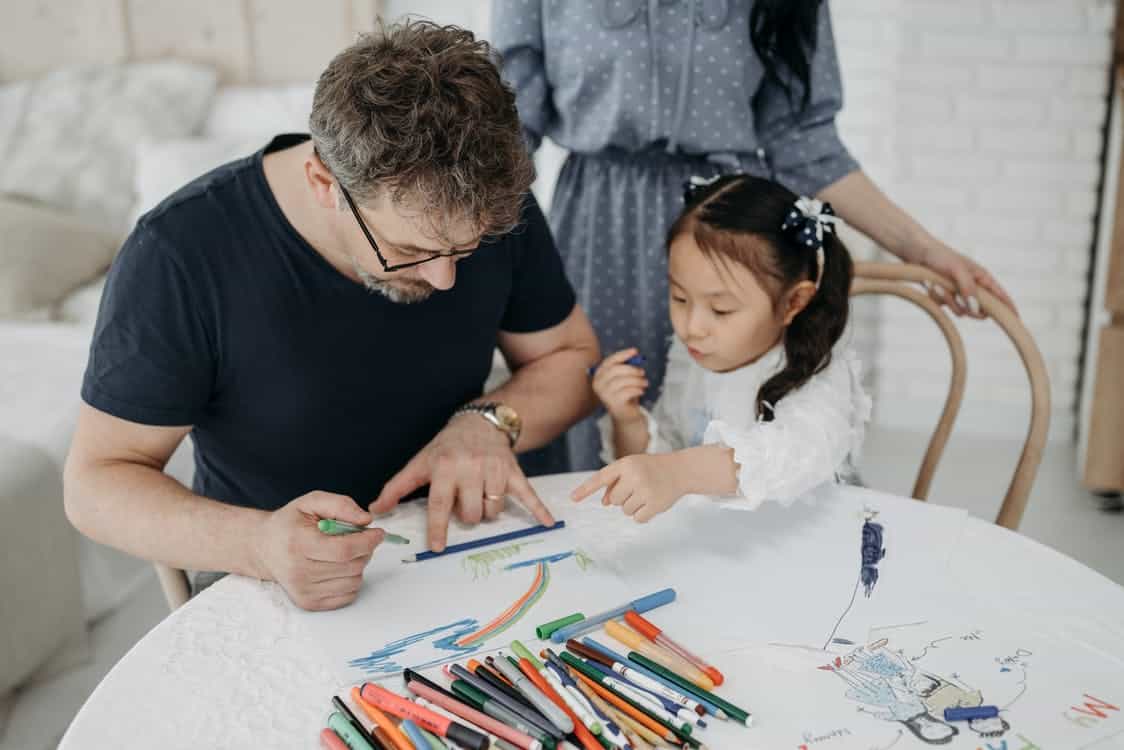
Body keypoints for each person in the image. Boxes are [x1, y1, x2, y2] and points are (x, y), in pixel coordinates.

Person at [63, 21, 600, 611]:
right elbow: (95, 484)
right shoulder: (179, 253)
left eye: (466, 250)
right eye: (412, 251)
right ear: (324, 181)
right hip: (272, 575)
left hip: (458, 548)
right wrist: (259, 545)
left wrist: (490, 422)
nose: (445, 278)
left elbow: (572, 359)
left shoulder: (482, 203)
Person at [492, 0, 1015, 470]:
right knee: (606, 410)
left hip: (735, 232)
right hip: (602, 230)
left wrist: (926, 252)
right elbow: (506, 129)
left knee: (750, 414)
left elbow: (804, 140)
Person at [572, 175, 869, 521]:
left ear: (793, 302)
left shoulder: (818, 371)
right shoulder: (694, 355)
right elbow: (666, 454)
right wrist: (628, 420)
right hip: (718, 541)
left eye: (721, 310)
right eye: (679, 297)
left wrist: (677, 472)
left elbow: (790, 454)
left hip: (808, 543)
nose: (691, 327)